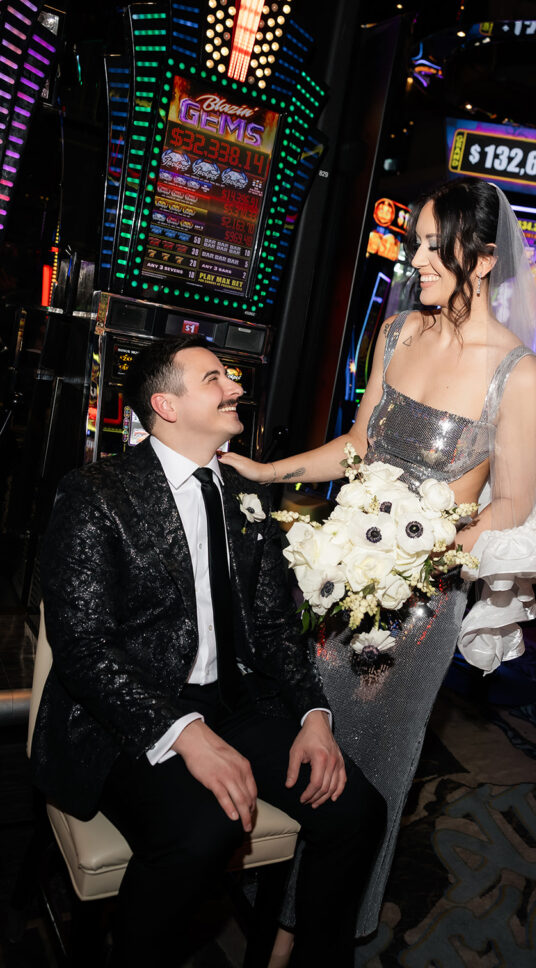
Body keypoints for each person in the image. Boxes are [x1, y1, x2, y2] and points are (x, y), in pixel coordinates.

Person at [219, 178, 536, 952]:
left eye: (433, 244)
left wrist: (419, 554)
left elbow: (508, 503)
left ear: (480, 255)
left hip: (418, 604)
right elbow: (359, 444)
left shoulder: (518, 373)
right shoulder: (398, 330)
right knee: (294, 732)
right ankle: (264, 901)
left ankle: (312, 935)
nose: (415, 259)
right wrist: (267, 473)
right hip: (340, 570)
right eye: (414, 242)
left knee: (362, 765)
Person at [31, 336, 386, 968]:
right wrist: (181, 731)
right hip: (125, 717)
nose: (236, 387)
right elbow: (82, 648)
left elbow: (276, 626)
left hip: (234, 702)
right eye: (215, 378)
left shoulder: (242, 493)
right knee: (204, 831)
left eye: (232, 376)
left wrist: (314, 717)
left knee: (357, 808)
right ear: (165, 405)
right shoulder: (96, 491)